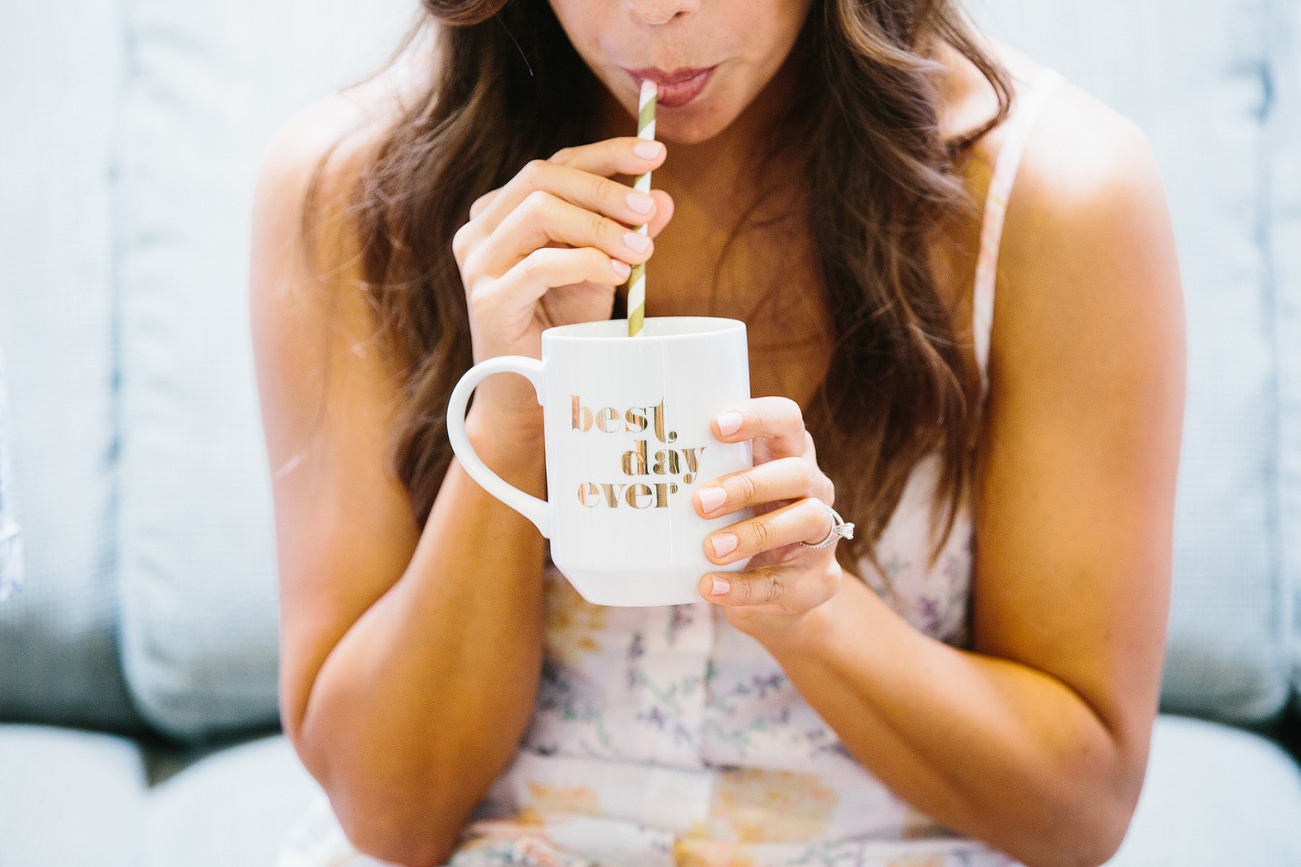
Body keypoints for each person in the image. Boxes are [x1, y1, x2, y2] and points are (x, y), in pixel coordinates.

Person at [251, 0, 1185, 864]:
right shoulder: (351, 191)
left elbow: (1079, 809)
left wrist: (811, 614)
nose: (654, 11)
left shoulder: (1050, 199)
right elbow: (388, 812)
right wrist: (512, 416)